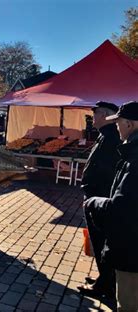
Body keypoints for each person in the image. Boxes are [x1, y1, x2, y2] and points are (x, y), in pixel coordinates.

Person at [84, 101, 138, 311]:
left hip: (131, 246)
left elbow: (123, 205)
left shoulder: (133, 156)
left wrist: (96, 202)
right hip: (127, 238)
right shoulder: (127, 147)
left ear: (130, 124)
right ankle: (104, 282)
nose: (116, 126)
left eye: (119, 122)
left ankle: (105, 284)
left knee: (128, 302)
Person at [78, 101, 121, 298]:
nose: (92, 118)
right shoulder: (106, 135)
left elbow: (106, 170)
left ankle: (105, 285)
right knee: (99, 241)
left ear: (105, 115)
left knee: (101, 240)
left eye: (95, 114)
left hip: (100, 198)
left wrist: (93, 195)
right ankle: (103, 278)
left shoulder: (112, 137)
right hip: (96, 196)